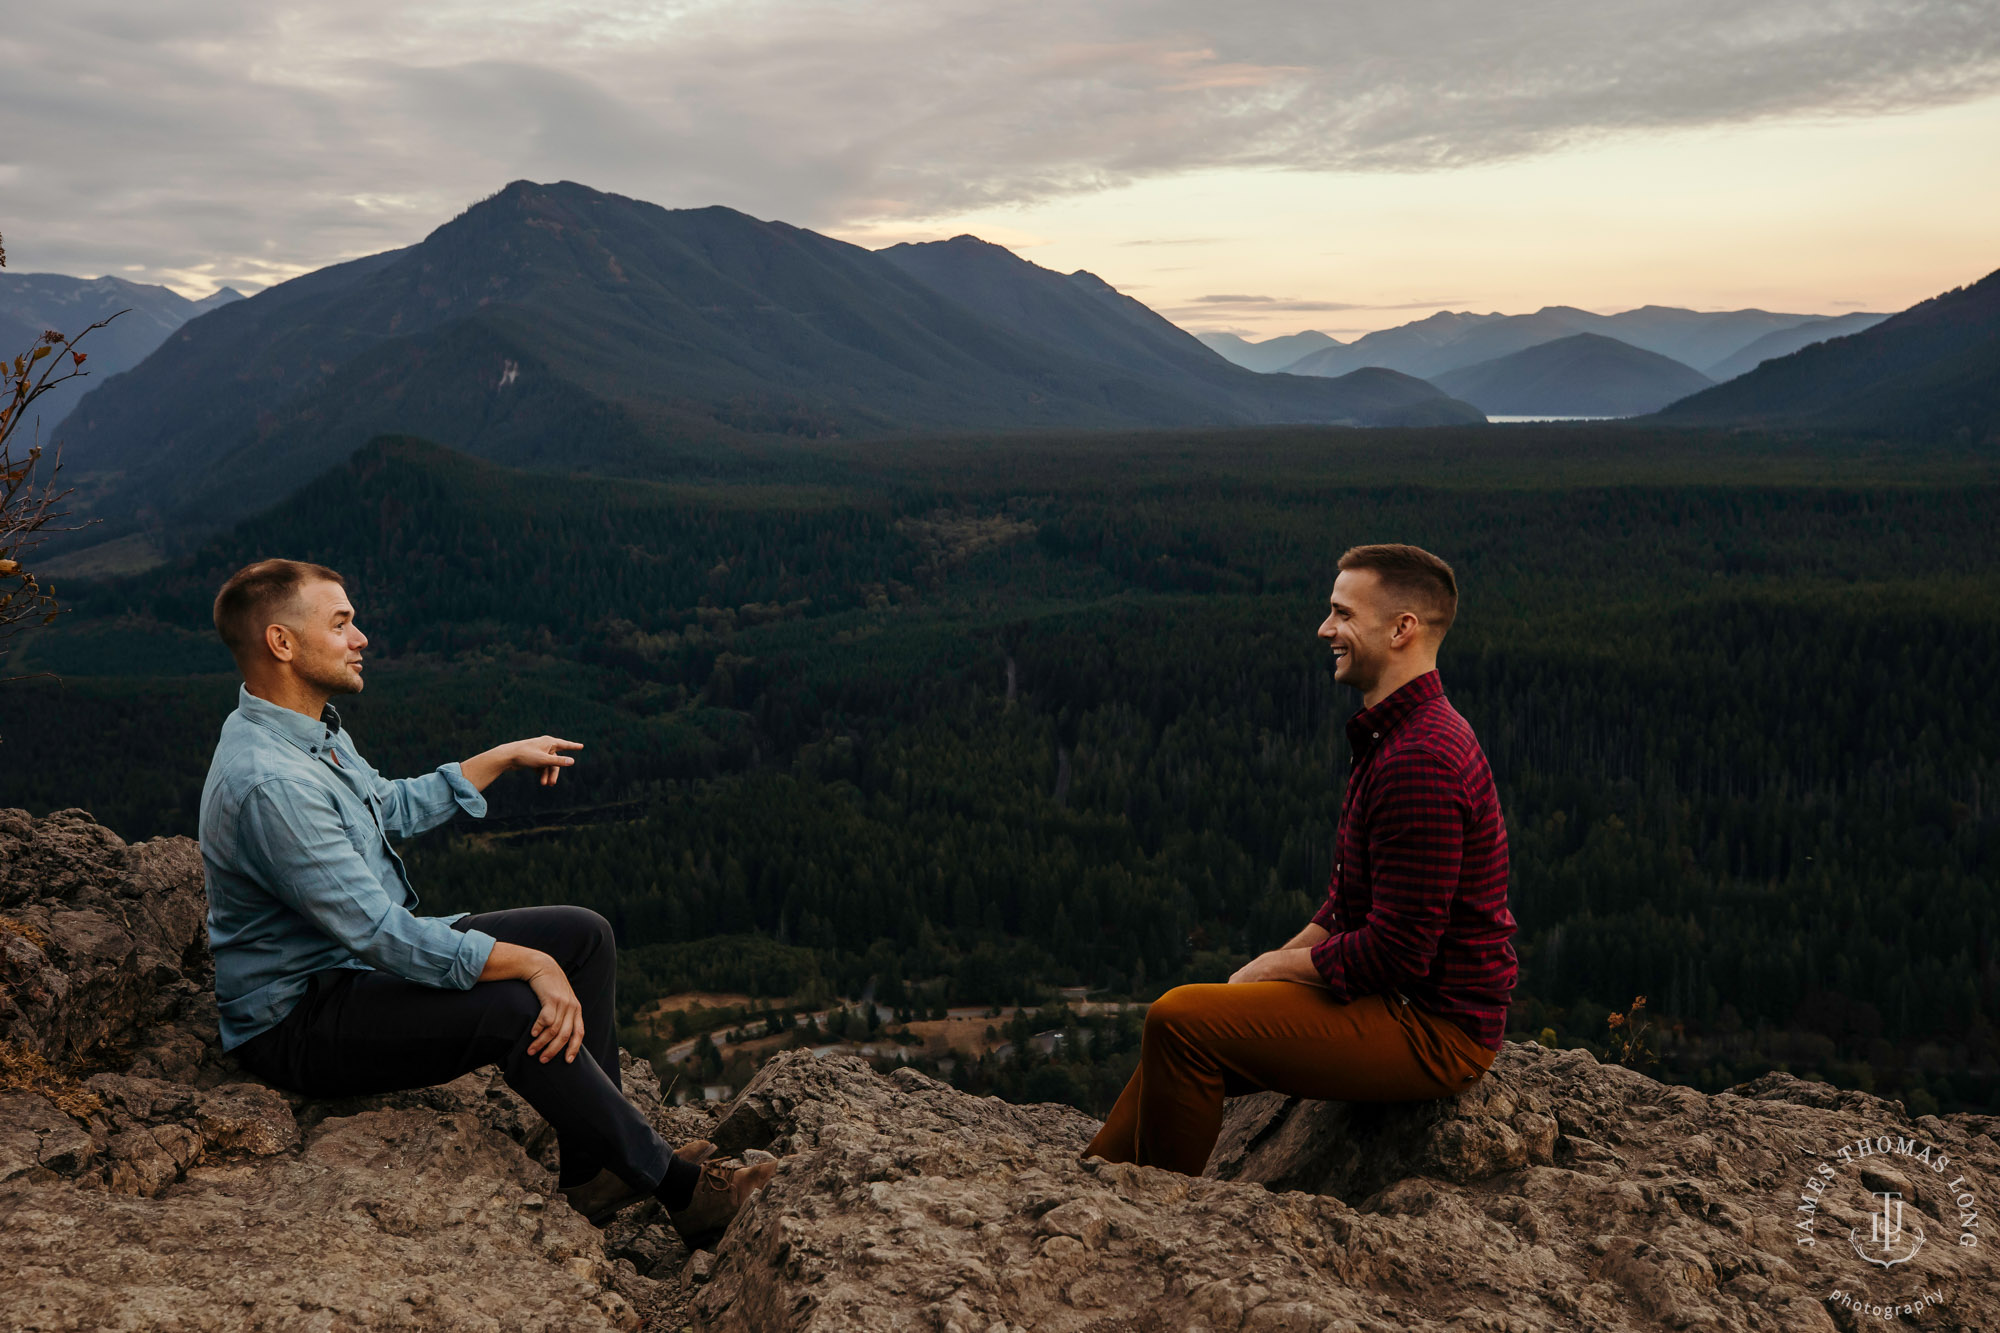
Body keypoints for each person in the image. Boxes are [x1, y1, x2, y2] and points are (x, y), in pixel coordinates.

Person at [200, 558, 776, 1240]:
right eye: (342, 622)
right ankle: (685, 1195)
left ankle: (597, 1167)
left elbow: (389, 803)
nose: (361, 638)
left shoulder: (310, 731)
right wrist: (526, 963)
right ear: (282, 643)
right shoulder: (271, 781)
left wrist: (499, 757)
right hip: (297, 1020)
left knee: (584, 936)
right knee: (514, 1003)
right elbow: (382, 934)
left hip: (349, 973)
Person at [1086, 543, 1517, 1175]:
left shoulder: (1420, 758)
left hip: (1434, 1030)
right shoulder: (1393, 733)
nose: (1325, 629)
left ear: (1402, 630)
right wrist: (1268, 968)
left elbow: (1399, 952)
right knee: (1184, 1019)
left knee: (1181, 1022)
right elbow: (1349, 904)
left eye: (1342, 613)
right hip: (1399, 1002)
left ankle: (1154, 1215)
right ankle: (1097, 1181)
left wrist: (1274, 972)